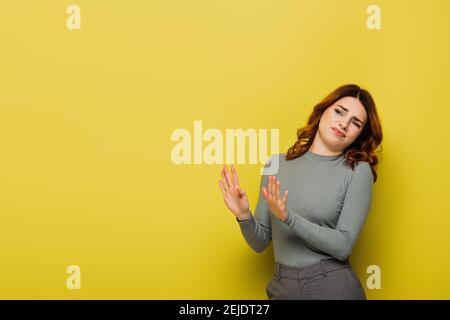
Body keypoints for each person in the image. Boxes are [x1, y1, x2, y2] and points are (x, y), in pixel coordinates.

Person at [218, 84, 383, 299]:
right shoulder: (275, 164)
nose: (344, 124)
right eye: (339, 111)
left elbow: (344, 246)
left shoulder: (357, 171)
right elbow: (260, 243)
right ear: (323, 111)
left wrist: (287, 217)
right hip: (283, 285)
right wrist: (243, 216)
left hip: (332, 285)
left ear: (359, 135)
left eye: (356, 123)